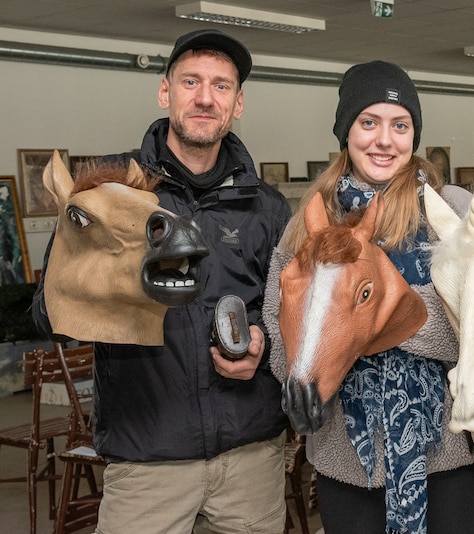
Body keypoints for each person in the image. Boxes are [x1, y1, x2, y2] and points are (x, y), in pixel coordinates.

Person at [32, 29, 292, 533]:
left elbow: (290, 317)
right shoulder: (112, 195)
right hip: (148, 460)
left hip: (251, 459)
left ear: (238, 103)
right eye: (190, 81)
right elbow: (51, 317)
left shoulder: (268, 207)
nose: (203, 97)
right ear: (164, 91)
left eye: (220, 86)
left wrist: (260, 341)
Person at [262, 60, 474, 534]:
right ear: (346, 132)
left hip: (451, 458)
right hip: (348, 466)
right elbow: (277, 328)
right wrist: (328, 342)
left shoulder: (451, 211)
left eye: (400, 125)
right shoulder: (306, 223)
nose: (384, 140)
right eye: (368, 123)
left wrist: (381, 318)